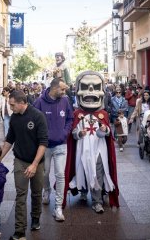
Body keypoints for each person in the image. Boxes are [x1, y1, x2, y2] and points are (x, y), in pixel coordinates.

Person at [64, 71, 119, 214]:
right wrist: (78, 133)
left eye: (95, 87)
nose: (90, 92)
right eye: (85, 87)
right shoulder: (77, 114)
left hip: (99, 149)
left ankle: (97, 201)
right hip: (82, 150)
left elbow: (108, 133)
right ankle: (82, 191)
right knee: (82, 170)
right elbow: (73, 134)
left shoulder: (104, 114)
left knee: (97, 173)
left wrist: (104, 129)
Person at [0, 90, 48, 240]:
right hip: (20, 160)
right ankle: (19, 231)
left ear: (22, 103)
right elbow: (9, 140)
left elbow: (43, 142)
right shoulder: (14, 117)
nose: (10, 107)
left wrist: (34, 165)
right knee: (21, 195)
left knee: (36, 193)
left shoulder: (38, 116)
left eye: (12, 104)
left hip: (37, 162)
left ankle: (35, 218)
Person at [33, 78, 73, 222]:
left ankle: (58, 207)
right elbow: (32, 120)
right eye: (62, 89)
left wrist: (65, 133)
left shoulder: (65, 100)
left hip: (61, 144)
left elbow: (70, 118)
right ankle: (47, 190)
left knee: (60, 174)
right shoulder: (39, 102)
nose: (64, 92)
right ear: (54, 88)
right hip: (44, 145)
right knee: (45, 173)